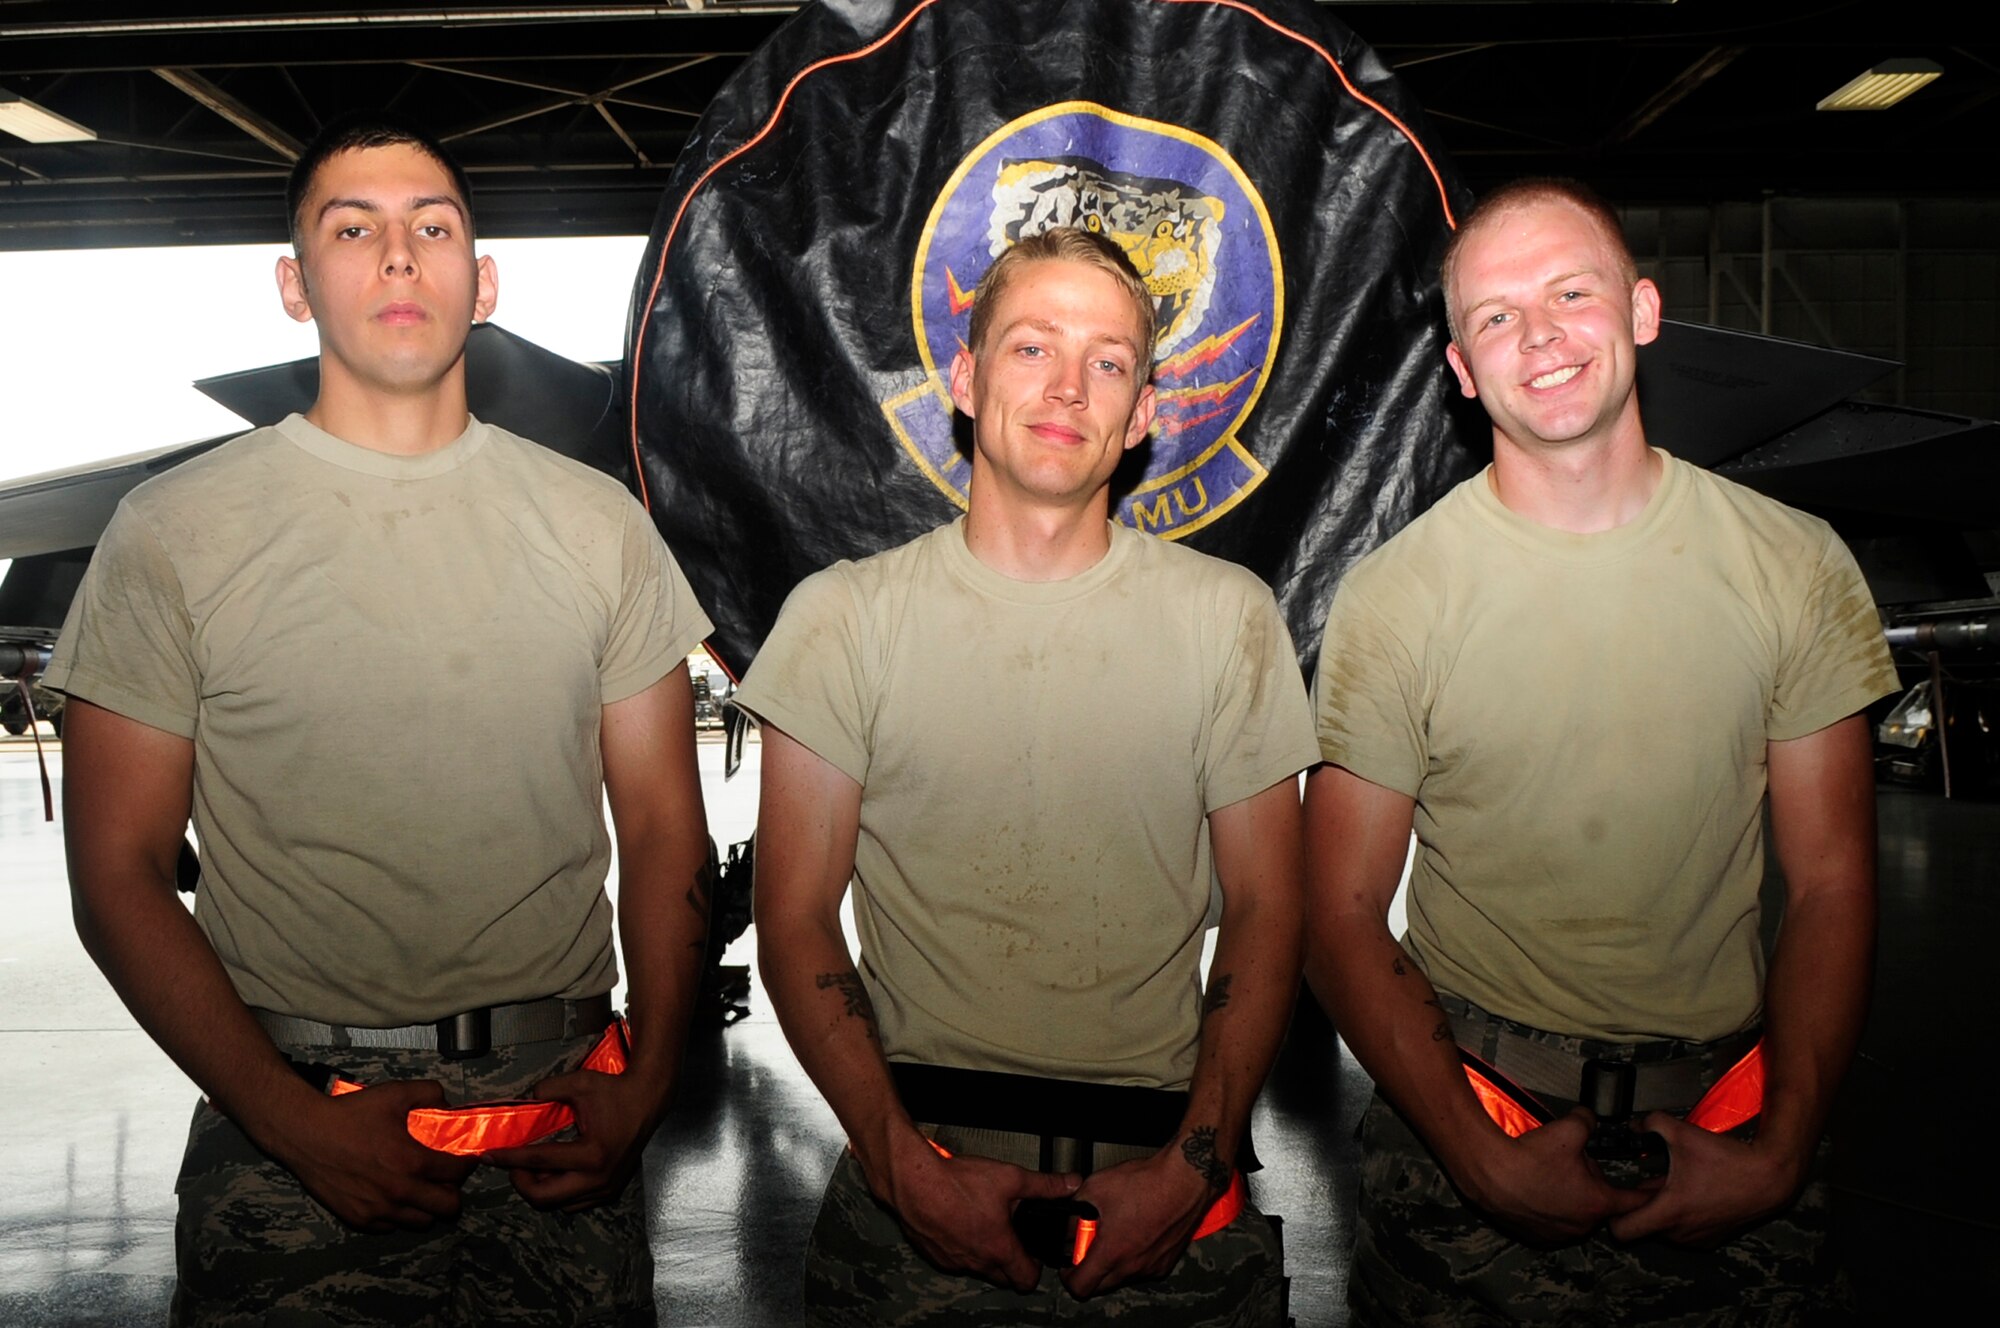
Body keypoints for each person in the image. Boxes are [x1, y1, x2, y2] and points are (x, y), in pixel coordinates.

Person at [47, 115, 713, 1325]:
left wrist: (652, 1077)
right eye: (353, 230)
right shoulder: (173, 531)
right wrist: (294, 1124)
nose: (398, 254)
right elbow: (117, 872)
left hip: (561, 1125)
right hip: (294, 1125)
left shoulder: (599, 527)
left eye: (432, 227)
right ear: (295, 285)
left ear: (483, 281)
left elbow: (667, 827)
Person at [1303, 177, 1900, 1324]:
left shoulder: (1794, 563)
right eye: (1495, 314)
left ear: (1640, 310)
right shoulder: (1392, 598)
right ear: (1461, 368)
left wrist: (1780, 1147)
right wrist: (1476, 1156)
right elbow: (1337, 910)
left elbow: (1831, 883)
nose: (1538, 333)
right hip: (1472, 1122)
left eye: (1569, 293)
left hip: (1725, 1121)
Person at [734, 227, 1319, 1326]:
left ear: (1142, 413)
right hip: (914, 1205)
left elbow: (1268, 908)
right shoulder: (844, 618)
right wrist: (903, 1168)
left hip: (1170, 1197)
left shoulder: (1227, 617)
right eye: (1032, 347)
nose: (1068, 387)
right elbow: (795, 920)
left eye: (1108, 361)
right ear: (965, 381)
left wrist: (1192, 1167)